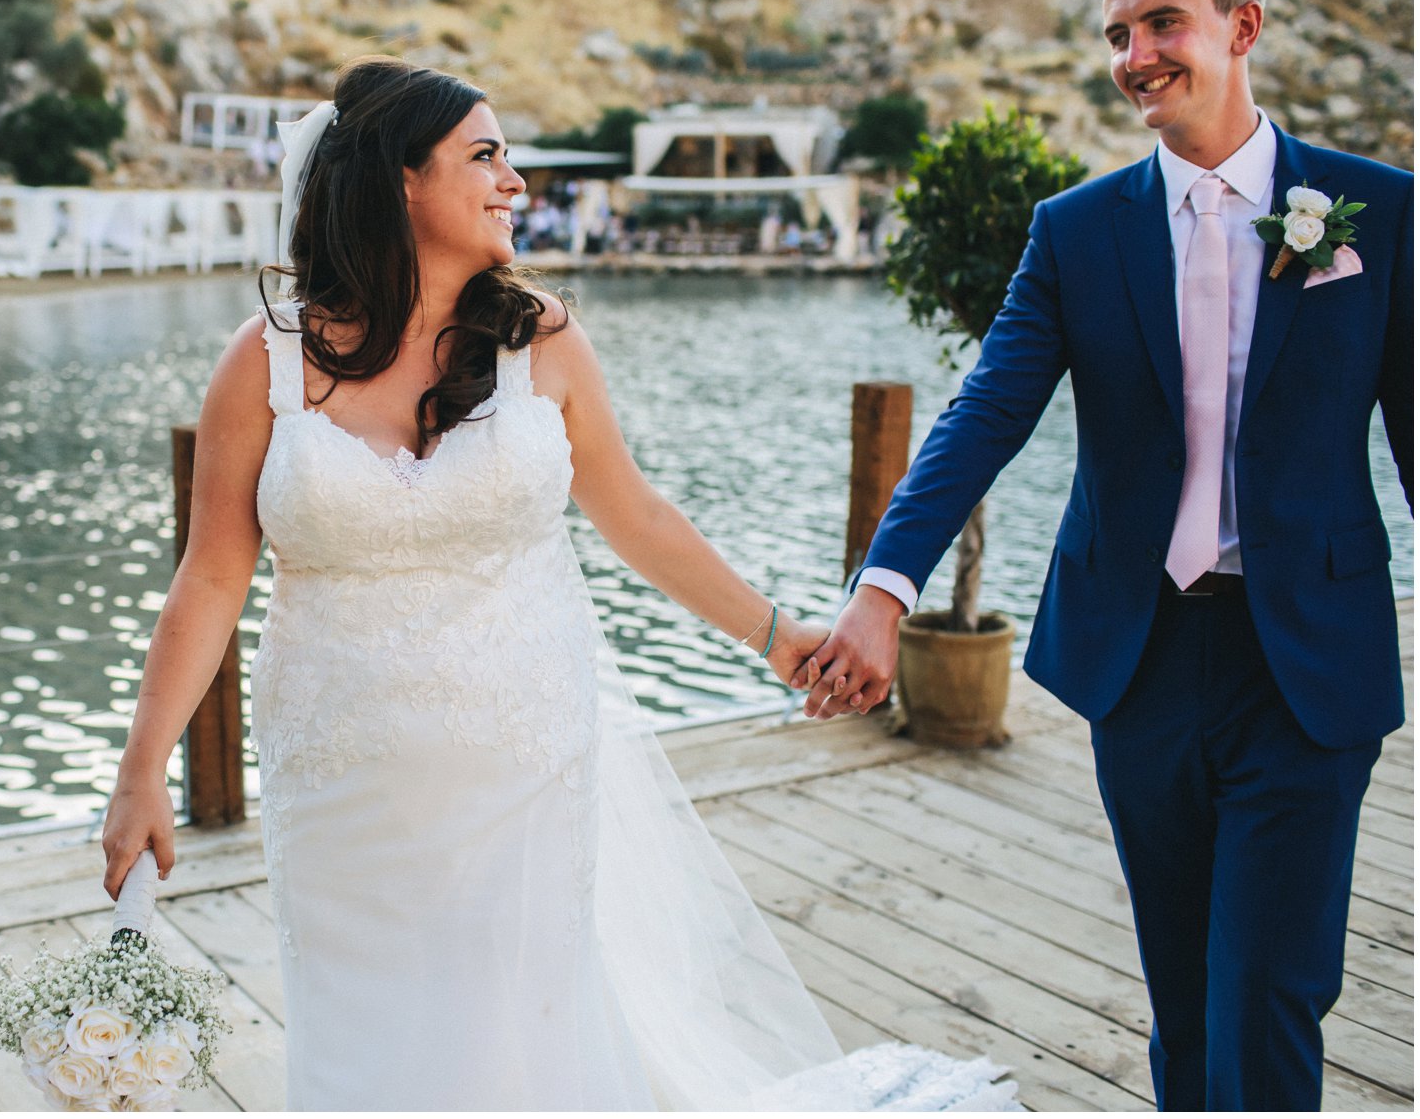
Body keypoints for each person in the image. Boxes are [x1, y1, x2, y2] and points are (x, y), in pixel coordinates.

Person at [98, 56, 1013, 1110]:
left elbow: (637, 518)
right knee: (365, 1043)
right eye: (484, 155)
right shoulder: (264, 361)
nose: (515, 183)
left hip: (523, 756)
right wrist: (141, 770)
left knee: (523, 1037)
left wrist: (775, 634)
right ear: (400, 177)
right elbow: (209, 577)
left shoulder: (543, 341)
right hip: (341, 775)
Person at [807, 0, 1412, 1111]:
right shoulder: (1074, 232)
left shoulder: (1377, 211)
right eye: (1117, 33)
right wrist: (883, 588)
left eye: (1161, 24)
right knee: (1184, 1002)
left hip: (1309, 659)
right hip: (1140, 659)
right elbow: (984, 413)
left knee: (1270, 991)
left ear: (1241, 28)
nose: (1135, 54)